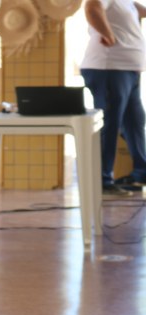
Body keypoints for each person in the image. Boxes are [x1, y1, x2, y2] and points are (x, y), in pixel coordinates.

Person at [80, 0, 146, 195]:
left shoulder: (128, 2)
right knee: (110, 124)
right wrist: (108, 34)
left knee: (135, 122)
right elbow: (92, 7)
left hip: (128, 70)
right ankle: (102, 180)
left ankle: (140, 174)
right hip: (108, 68)